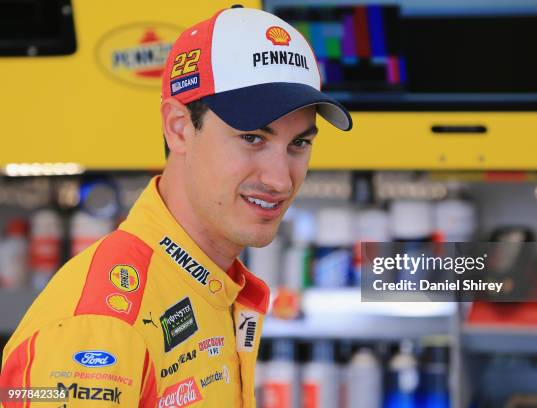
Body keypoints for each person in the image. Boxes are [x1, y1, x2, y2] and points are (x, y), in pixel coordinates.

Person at [0, 5, 352, 407]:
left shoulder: (211, 285)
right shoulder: (102, 324)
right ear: (179, 127)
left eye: (299, 144)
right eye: (252, 138)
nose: (280, 179)